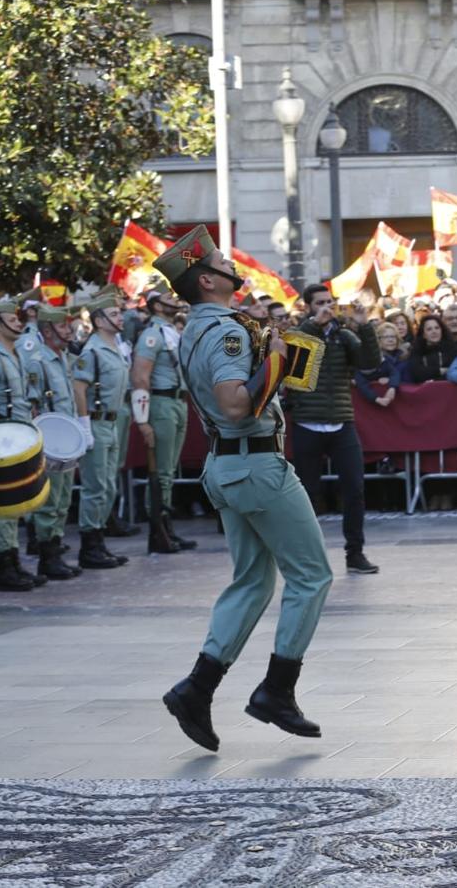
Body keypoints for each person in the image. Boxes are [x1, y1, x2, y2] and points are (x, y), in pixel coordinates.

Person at [153, 225, 332, 753]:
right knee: (312, 576)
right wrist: (276, 357)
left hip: (227, 467)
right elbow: (235, 403)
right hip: (255, 465)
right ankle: (277, 690)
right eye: (221, 263)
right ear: (208, 280)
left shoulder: (197, 328)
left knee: (252, 582)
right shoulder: (229, 331)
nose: (233, 266)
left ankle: (197, 688)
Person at [289, 285, 381, 575]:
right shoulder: (298, 334)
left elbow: (370, 363)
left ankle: (355, 553)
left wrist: (364, 326)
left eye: (330, 302)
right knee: (307, 494)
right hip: (307, 422)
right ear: (308, 307)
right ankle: (308, 557)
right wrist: (314, 326)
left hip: (341, 421)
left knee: (355, 488)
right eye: (320, 303)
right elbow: (294, 360)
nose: (327, 307)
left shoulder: (344, 336)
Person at [0, 297, 50, 591]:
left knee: (15, 507)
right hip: (1, 439)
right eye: (11, 319)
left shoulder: (15, 355)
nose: (18, 322)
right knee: (3, 508)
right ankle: (5, 568)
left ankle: (15, 564)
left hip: (17, 436)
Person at [131, 287, 197, 554]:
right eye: (169, 298)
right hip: (161, 403)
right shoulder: (151, 335)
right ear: (156, 306)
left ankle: (166, 527)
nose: (175, 300)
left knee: (168, 470)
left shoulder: (170, 332)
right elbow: (140, 377)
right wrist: (143, 420)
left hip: (177, 402)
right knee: (161, 472)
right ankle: (158, 530)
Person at [73, 287, 132, 568]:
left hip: (112, 421)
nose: (120, 318)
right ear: (99, 321)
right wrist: (84, 425)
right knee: (95, 486)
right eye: (113, 314)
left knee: (108, 485)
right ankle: (89, 545)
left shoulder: (114, 348)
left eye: (119, 313)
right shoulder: (92, 351)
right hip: (96, 422)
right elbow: (79, 389)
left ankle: (99, 540)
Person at [24, 301, 83, 580]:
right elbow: (32, 405)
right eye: (62, 326)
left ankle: (55, 550)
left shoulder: (61, 358)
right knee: (50, 501)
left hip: (67, 439)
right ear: (47, 330)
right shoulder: (38, 360)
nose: (68, 331)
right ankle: (47, 556)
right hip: (51, 441)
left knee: (62, 500)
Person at [354, 322, 403, 408]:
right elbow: (361, 383)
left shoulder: (404, 356)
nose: (390, 340)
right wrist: (376, 397)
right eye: (386, 337)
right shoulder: (371, 359)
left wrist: (391, 385)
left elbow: (395, 373)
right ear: (378, 340)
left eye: (393, 336)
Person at [403, 315, 448, 383]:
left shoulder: (451, 349)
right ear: (423, 334)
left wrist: (434, 379)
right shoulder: (416, 351)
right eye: (429, 329)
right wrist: (440, 371)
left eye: (437, 328)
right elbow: (417, 373)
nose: (434, 331)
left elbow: (452, 372)